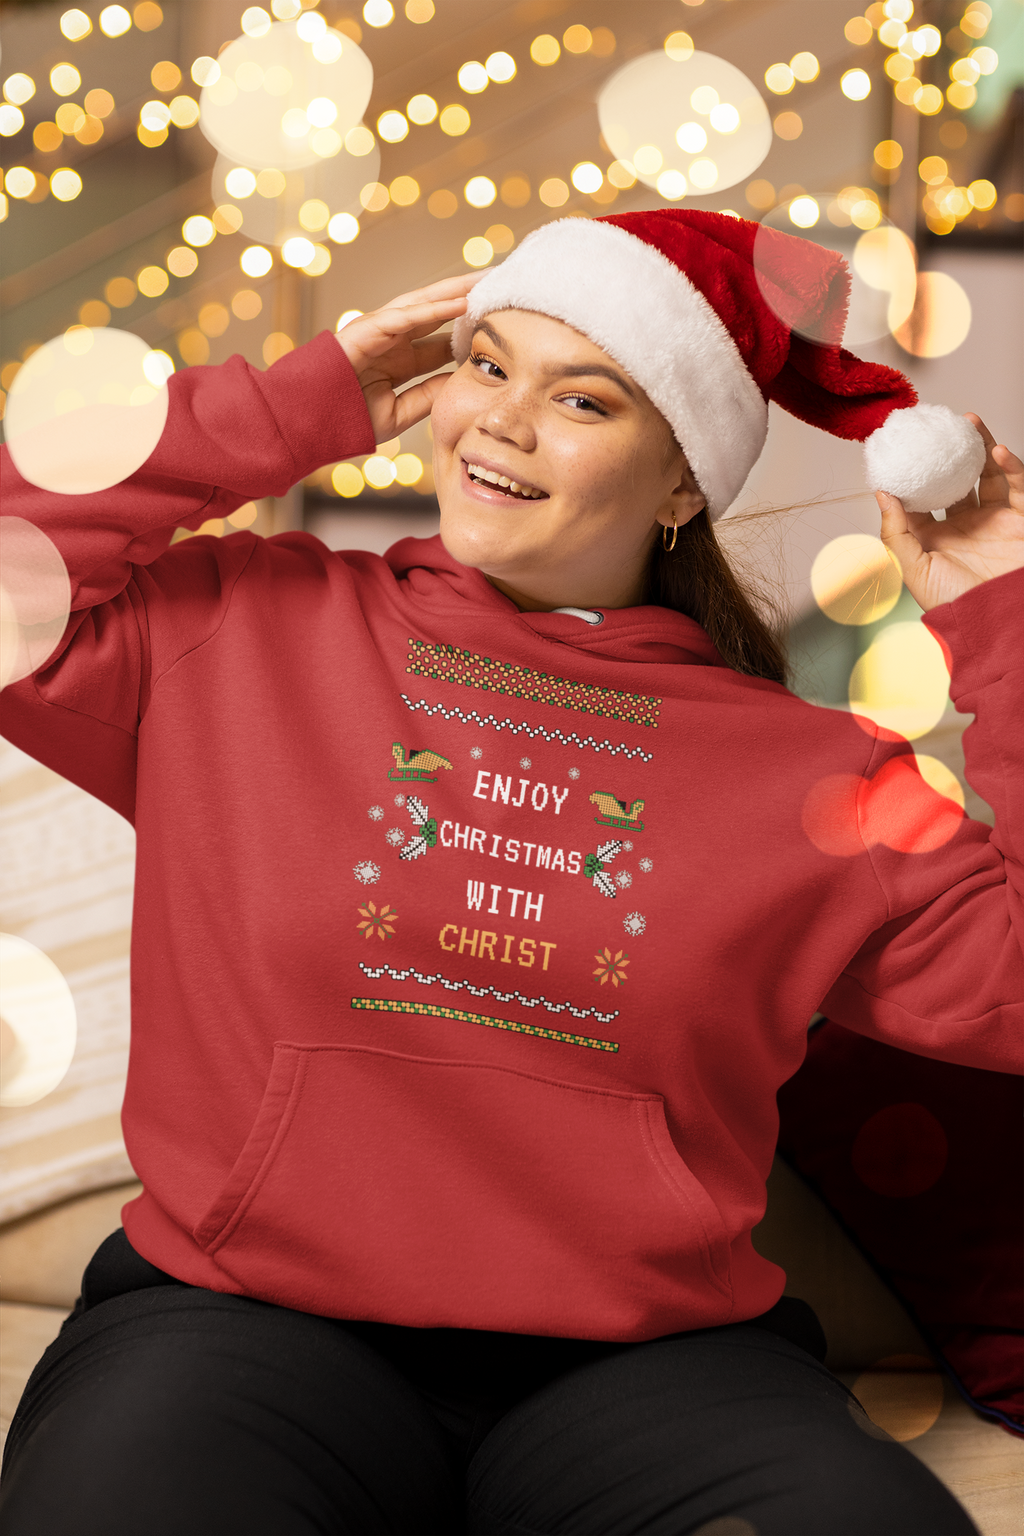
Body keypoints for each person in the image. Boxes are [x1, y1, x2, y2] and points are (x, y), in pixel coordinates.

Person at [0, 209, 1020, 1536]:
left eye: (580, 396)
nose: (501, 421)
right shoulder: (236, 628)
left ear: (681, 487)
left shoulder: (820, 776)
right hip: (242, 1324)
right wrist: (297, 405)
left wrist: (999, 609)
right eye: (487, 365)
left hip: (652, 1368)